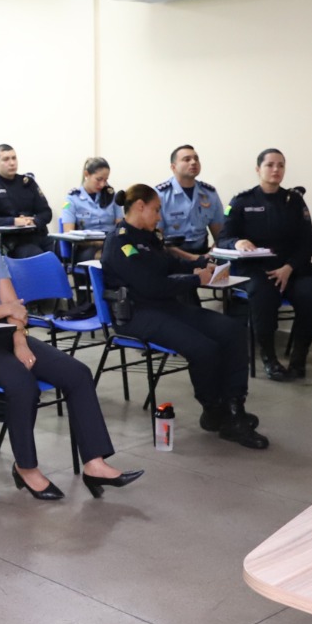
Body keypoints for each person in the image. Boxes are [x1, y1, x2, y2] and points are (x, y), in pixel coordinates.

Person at [0, 183, 142, 500]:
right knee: (21, 381)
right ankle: (26, 468)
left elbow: (15, 307)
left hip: (6, 337)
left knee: (77, 373)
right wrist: (7, 310)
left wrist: (20, 340)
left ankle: (95, 463)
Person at [101, 184, 268, 449]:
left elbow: (168, 263)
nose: (159, 216)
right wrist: (195, 279)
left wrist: (199, 263)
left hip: (164, 307)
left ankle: (235, 408)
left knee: (232, 330)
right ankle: (214, 410)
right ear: (140, 207)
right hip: (137, 315)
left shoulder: (147, 237)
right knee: (204, 348)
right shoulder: (121, 242)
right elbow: (150, 286)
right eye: (155, 210)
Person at [222, 149, 312, 381]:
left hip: (293, 268)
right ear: (258, 169)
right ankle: (269, 359)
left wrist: (289, 267)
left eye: (281, 165)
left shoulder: (295, 201)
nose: (276, 170)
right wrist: (237, 242)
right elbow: (223, 238)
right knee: (263, 296)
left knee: (311, 295)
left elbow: (307, 243)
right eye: (270, 165)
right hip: (258, 269)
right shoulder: (242, 201)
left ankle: (299, 359)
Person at [0, 144, 54, 259]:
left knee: (59, 256)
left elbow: (46, 213)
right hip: (13, 242)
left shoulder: (28, 183)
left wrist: (33, 221)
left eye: (14, 158)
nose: (12, 162)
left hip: (38, 235)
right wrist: (14, 221)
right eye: (6, 159)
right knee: (39, 259)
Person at [156, 145, 225, 260]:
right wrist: (193, 259)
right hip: (171, 257)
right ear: (173, 167)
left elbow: (221, 236)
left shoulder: (209, 193)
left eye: (196, 159)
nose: (193, 162)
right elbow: (157, 239)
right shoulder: (160, 195)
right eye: (187, 159)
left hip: (205, 255)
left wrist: (210, 256)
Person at [58, 157, 123, 262]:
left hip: (111, 243)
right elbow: (68, 232)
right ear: (86, 174)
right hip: (86, 247)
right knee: (108, 257)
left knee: (132, 254)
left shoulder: (111, 196)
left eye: (105, 180)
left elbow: (121, 226)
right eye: (98, 179)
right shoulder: (71, 199)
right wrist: (97, 242)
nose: (102, 184)